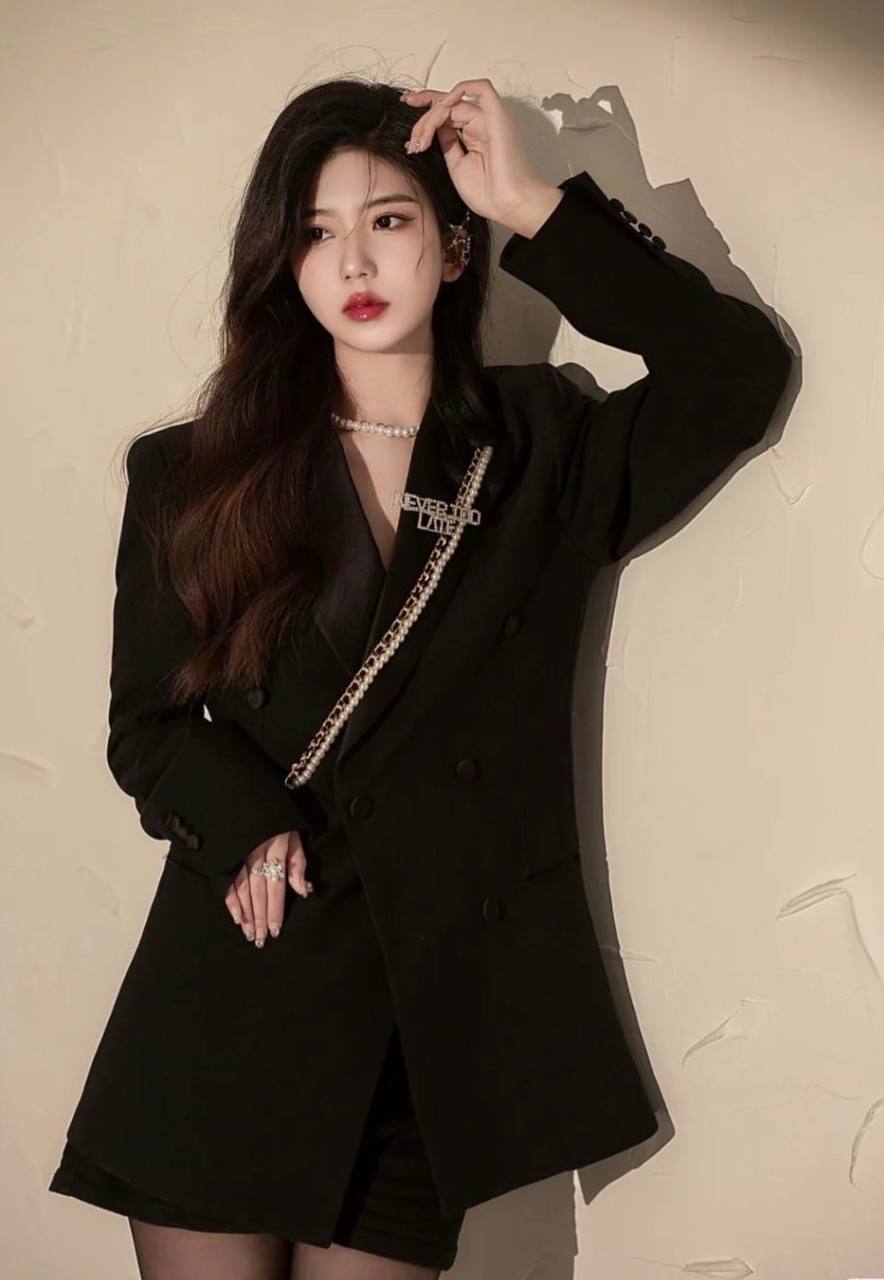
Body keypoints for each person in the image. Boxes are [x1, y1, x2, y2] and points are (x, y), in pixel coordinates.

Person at [48, 75, 791, 1279]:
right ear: (283, 267)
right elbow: (151, 724)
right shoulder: (195, 473)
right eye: (315, 231)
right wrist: (246, 822)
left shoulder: (539, 445)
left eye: (388, 219)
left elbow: (734, 374)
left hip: (423, 1029)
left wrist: (533, 204)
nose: (353, 258)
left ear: (451, 248)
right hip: (232, 990)